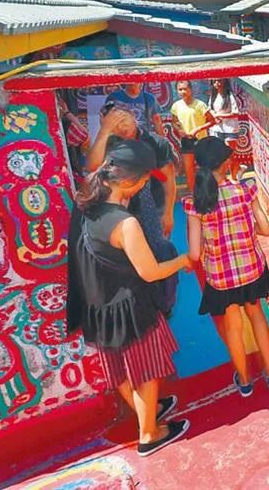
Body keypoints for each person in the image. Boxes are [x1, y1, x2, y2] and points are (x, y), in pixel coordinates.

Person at [66, 140, 192, 456]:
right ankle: (149, 433)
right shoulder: (126, 223)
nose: (145, 185)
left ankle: (148, 411)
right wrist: (182, 261)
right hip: (130, 308)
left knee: (121, 370)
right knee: (145, 371)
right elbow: (150, 272)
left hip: (98, 306)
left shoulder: (85, 202)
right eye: (144, 180)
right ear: (127, 182)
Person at [183, 138, 269, 397]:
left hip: (221, 277)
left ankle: (245, 380)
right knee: (257, 315)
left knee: (233, 326)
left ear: (199, 165)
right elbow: (266, 230)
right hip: (251, 270)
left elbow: (194, 253)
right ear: (226, 163)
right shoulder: (246, 190)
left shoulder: (194, 203)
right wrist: (247, 230)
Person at [87, 104, 180, 316]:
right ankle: (145, 302)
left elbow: (168, 180)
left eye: (125, 120)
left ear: (133, 116)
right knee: (132, 260)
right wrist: (104, 131)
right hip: (122, 213)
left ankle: (165, 303)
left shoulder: (156, 142)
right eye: (116, 123)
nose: (123, 127)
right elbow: (91, 167)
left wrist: (168, 213)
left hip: (154, 209)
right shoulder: (110, 144)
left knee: (160, 253)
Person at [170, 81, 216, 192]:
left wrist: (198, 129)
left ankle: (208, 192)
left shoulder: (200, 105)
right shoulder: (176, 106)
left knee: (205, 168)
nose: (183, 92)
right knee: (188, 169)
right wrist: (179, 130)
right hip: (186, 141)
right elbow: (174, 122)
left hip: (201, 141)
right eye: (180, 89)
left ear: (191, 89)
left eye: (185, 89)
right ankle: (192, 193)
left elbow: (212, 121)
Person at [209, 79, 242, 180]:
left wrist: (221, 116)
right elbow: (210, 110)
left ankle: (234, 176)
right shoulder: (213, 96)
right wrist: (215, 116)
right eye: (214, 81)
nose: (217, 83)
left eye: (219, 81)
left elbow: (236, 113)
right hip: (217, 128)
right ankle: (228, 174)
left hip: (230, 129)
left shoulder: (230, 96)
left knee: (229, 155)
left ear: (224, 82)